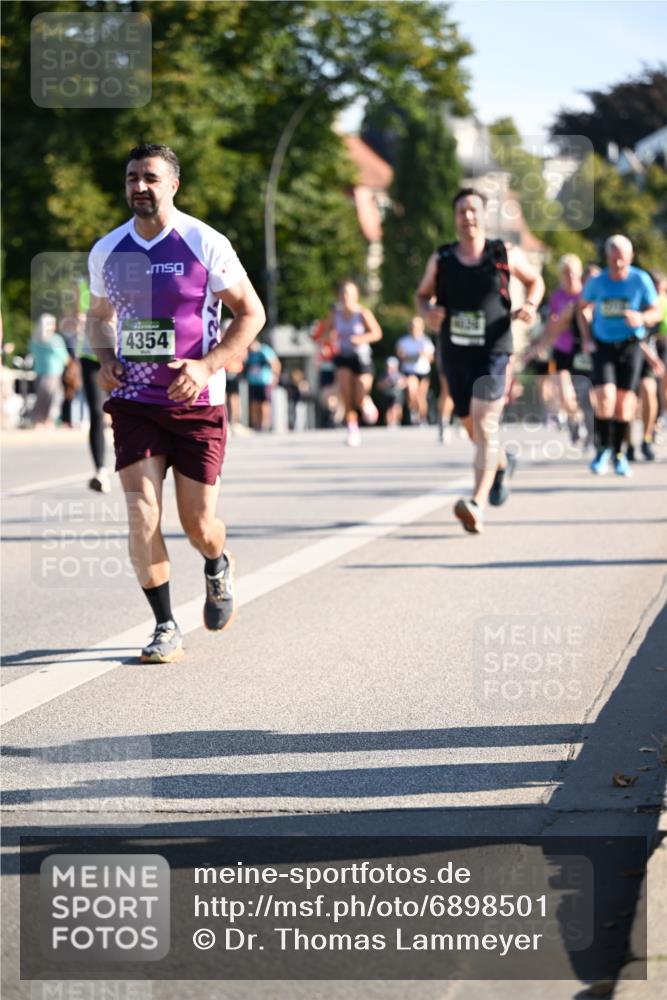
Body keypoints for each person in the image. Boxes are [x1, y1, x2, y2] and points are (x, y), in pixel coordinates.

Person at [87, 143, 265, 663]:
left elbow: (250, 314)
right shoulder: (107, 250)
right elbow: (99, 316)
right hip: (136, 402)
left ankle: (216, 563)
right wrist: (104, 357)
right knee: (142, 514)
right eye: (131, 177)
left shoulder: (204, 242)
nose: (139, 186)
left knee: (198, 525)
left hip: (196, 403)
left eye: (150, 177)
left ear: (172, 185)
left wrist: (208, 365)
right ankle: (165, 624)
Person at [415, 188, 544, 534]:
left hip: (495, 350)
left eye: (473, 211)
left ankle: (476, 503)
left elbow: (535, 281)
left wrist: (530, 305)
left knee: (485, 425)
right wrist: (429, 311)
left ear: (483, 216)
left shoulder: (504, 253)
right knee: (472, 427)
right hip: (455, 353)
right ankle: (502, 462)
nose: (468, 217)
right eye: (461, 212)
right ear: (455, 218)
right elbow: (421, 294)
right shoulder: (441, 259)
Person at [578, 235, 664, 477]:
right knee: (605, 397)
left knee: (625, 403)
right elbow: (581, 307)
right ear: (607, 257)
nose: (617, 265)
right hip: (603, 344)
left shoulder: (640, 279)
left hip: (630, 345)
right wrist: (586, 337)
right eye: (614, 259)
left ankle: (618, 453)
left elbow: (655, 311)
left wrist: (641, 318)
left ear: (630, 258)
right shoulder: (598, 281)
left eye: (622, 260)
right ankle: (602, 449)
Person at [523, 254, 586, 442]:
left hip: (583, 350)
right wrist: (537, 349)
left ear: (580, 273)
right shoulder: (556, 297)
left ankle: (583, 420)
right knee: (565, 393)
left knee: (585, 395)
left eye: (573, 273)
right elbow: (551, 327)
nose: (570, 277)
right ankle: (574, 421)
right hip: (562, 349)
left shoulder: (586, 294)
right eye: (566, 273)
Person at [319, 280, 382, 446]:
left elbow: (376, 333)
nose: (345, 297)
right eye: (342, 294)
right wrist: (329, 340)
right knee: (345, 394)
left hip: (361, 357)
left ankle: (365, 401)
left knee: (360, 392)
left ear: (355, 296)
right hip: (343, 356)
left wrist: (362, 339)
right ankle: (352, 429)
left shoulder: (362, 313)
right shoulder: (335, 314)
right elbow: (324, 333)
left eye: (348, 293)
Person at [29, 313, 70, 428]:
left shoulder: (34, 339)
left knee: (40, 398)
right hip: (54, 373)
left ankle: (38, 421)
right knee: (55, 398)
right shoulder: (55, 339)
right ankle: (49, 421)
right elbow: (65, 357)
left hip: (39, 372)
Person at [396, 316, 435, 425]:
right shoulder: (404, 341)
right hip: (409, 371)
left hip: (423, 371)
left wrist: (424, 354)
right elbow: (401, 356)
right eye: (413, 326)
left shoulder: (426, 341)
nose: (415, 329)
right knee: (412, 392)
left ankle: (422, 418)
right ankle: (413, 410)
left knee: (421, 396)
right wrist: (410, 356)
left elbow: (431, 358)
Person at [244, 338, 280, 431]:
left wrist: (275, 377)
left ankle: (265, 424)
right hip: (253, 382)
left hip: (265, 381)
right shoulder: (249, 353)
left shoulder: (265, 350)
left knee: (264, 403)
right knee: (254, 403)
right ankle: (256, 424)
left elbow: (275, 363)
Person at [376, 356, 406, 427]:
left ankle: (396, 421)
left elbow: (404, 383)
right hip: (387, 394)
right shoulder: (383, 375)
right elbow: (379, 386)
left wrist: (399, 384)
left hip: (397, 394)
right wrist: (386, 383)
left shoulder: (400, 374)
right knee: (388, 409)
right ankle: (390, 423)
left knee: (397, 407)